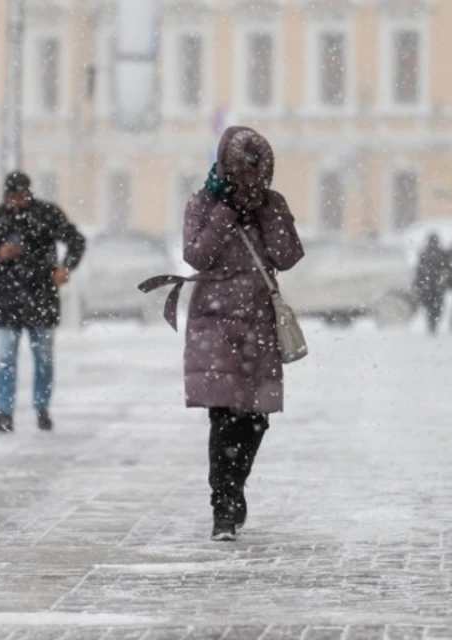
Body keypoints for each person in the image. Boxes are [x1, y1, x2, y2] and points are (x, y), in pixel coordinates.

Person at [145, 127, 303, 542]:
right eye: (243, 170)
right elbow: (196, 254)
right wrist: (227, 211)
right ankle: (224, 507)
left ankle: (235, 488)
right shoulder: (204, 202)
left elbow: (287, 256)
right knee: (224, 415)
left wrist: (264, 212)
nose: (250, 179)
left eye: (257, 171)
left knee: (256, 420)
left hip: (258, 322)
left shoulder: (272, 204)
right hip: (215, 321)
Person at [0, 171, 86, 434]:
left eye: (23, 196)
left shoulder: (46, 215)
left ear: (30, 193)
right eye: (13, 197)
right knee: (5, 358)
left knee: (43, 358)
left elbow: (76, 241)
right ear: (6, 196)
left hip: (41, 297)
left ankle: (42, 409)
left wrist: (65, 267)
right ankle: (4, 413)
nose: (19, 202)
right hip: (7, 299)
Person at [414, 233, 450, 335]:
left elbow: (419, 270)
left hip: (428, 286)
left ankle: (431, 323)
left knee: (430, 307)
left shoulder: (425, 253)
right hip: (437, 286)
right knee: (437, 307)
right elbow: (446, 269)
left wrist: (418, 283)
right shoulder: (441, 253)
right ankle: (434, 323)